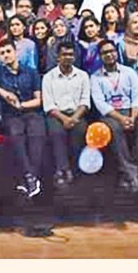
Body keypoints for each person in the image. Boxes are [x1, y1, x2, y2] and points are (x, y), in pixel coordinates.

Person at [0, 39, 45, 197]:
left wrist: (22, 105)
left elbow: (39, 99)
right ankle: (30, 177)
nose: (6, 55)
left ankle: (28, 177)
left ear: (16, 52)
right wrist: (2, 92)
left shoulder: (30, 72)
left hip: (31, 111)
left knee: (36, 133)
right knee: (16, 135)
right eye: (2, 53)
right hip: (10, 115)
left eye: (8, 51)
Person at [90, 39, 138, 192]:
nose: (109, 55)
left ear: (116, 52)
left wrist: (132, 117)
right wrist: (121, 118)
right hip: (111, 115)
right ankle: (132, 173)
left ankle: (130, 169)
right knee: (115, 130)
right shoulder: (95, 77)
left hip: (131, 111)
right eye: (105, 53)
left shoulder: (129, 72)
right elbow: (100, 104)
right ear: (100, 56)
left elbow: (137, 96)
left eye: (111, 51)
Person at [42, 41, 89, 187]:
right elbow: (49, 105)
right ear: (58, 57)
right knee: (57, 133)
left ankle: (76, 169)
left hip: (77, 114)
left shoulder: (83, 76)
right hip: (56, 115)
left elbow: (85, 101)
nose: (67, 57)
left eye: (70, 54)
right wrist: (64, 119)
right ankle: (62, 170)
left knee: (80, 131)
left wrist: (74, 118)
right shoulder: (48, 77)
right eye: (64, 54)